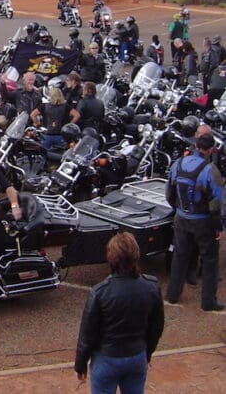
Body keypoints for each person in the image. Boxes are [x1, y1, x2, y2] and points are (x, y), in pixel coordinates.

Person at [74, 232, 164, 393]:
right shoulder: (151, 286)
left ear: (111, 258)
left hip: (106, 358)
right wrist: (147, 353)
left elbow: (87, 335)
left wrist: (80, 365)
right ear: (136, 255)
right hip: (137, 355)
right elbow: (156, 326)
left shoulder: (100, 292)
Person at [165, 134, 225, 311]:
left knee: (179, 257)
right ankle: (208, 302)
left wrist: (179, 211)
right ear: (211, 149)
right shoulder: (210, 169)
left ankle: (173, 295)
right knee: (210, 260)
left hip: (182, 218)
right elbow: (216, 203)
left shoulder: (179, 163)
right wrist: (218, 227)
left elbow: (169, 192)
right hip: (203, 222)